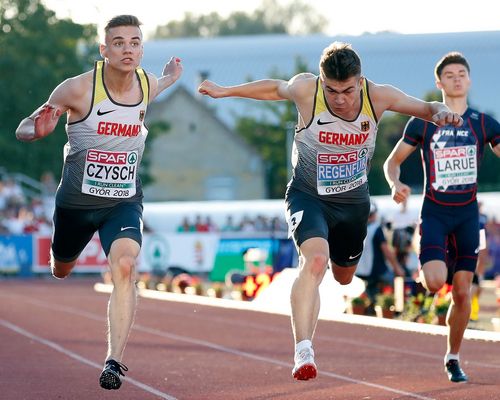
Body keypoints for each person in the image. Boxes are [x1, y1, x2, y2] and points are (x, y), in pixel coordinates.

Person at [198, 41, 462, 381]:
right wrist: (226, 91)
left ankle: (328, 293)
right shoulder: (307, 89)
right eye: (332, 90)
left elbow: (426, 107)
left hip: (353, 205)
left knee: (342, 276)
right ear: (322, 82)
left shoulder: (377, 96)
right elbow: (274, 88)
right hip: (308, 196)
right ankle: (303, 350)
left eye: (347, 91)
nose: (340, 99)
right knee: (315, 261)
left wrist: (442, 112)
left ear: (360, 81)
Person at [15, 15, 182, 390]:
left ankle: (114, 361)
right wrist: (36, 131)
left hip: (122, 202)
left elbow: (163, 84)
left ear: (142, 49)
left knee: (124, 265)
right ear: (104, 49)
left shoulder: (146, 84)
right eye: (119, 42)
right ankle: (63, 257)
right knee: (61, 269)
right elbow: (24, 125)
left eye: (135, 42)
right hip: (75, 204)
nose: (128, 49)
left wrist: (172, 75)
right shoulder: (77, 89)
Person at [384, 52, 500, 382]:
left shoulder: (482, 122)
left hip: (468, 217)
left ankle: (452, 357)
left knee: (463, 291)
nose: (457, 78)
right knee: (435, 282)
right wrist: (395, 182)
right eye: (449, 75)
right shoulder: (423, 120)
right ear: (439, 83)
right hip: (434, 213)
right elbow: (391, 162)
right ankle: (432, 267)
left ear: (470, 79)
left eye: (462, 73)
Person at [355, 202, 405, 315]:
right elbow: (386, 250)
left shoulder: (357, 227)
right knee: (394, 282)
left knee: (366, 297)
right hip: (375, 269)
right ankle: (396, 310)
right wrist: (397, 267)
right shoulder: (376, 229)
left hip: (359, 270)